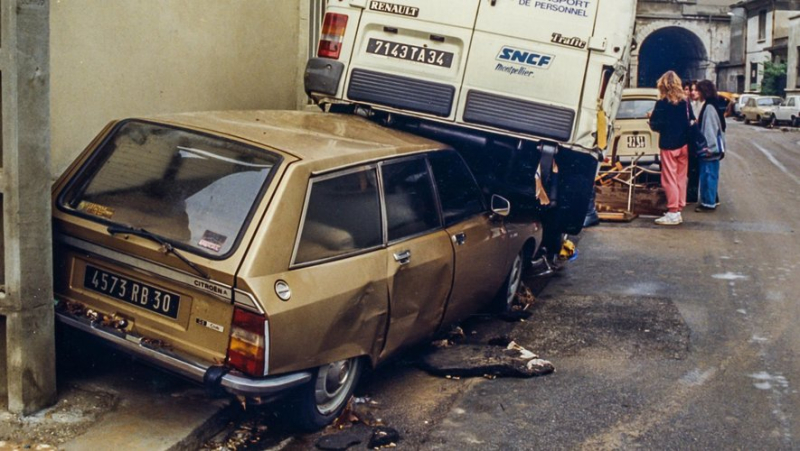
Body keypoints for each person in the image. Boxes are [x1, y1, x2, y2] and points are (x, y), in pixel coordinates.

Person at [648, 71, 693, 226]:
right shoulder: (685, 102)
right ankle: (679, 209)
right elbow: (690, 120)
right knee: (681, 177)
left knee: (669, 178)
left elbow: (656, 124)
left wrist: (650, 118)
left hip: (668, 144)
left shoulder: (662, 103)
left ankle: (672, 212)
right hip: (684, 144)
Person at [694, 80, 725, 212]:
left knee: (708, 175)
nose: (697, 93)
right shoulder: (713, 105)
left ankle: (708, 203)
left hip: (710, 149)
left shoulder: (709, 107)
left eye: (698, 90)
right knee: (710, 175)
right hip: (713, 149)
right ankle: (709, 200)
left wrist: (708, 148)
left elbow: (710, 129)